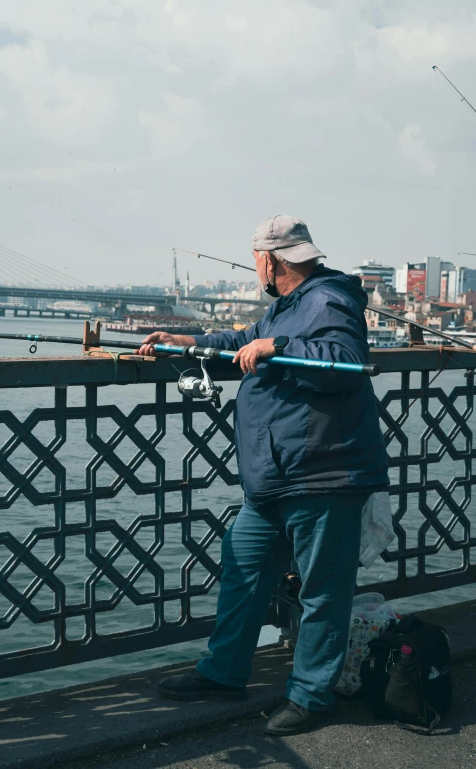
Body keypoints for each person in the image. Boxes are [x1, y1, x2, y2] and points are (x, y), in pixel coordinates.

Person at [137, 215, 389, 736]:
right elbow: (241, 340)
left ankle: (312, 696)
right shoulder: (287, 306)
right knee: (243, 568)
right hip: (275, 475)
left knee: (323, 590)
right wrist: (178, 341)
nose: (257, 267)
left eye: (257, 259)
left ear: (270, 259)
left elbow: (344, 357)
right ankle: (224, 672)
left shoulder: (328, 300)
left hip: (323, 473)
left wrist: (277, 348)